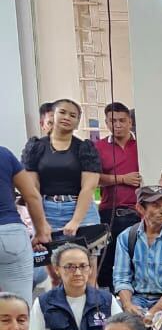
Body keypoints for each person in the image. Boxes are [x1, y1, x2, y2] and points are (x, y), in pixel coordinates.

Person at [21, 98, 102, 242]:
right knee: (49, 260)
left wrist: (76, 221)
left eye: (73, 115)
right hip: (46, 210)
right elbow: (32, 189)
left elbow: (89, 188)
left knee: (86, 260)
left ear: (77, 122)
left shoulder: (85, 148)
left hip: (81, 210)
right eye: (62, 112)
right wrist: (40, 223)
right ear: (53, 115)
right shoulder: (36, 147)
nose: (67, 118)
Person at [112, 184, 162, 322]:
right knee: (121, 323)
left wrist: (153, 313)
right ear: (140, 208)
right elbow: (121, 278)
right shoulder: (126, 237)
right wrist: (128, 305)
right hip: (137, 298)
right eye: (155, 205)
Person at [30, 242, 121, 330]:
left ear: (90, 269)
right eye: (69, 267)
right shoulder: (43, 302)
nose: (77, 272)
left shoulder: (107, 300)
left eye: (83, 266)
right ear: (57, 270)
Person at [95, 102, 141, 283]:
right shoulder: (98, 147)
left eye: (122, 120)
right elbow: (93, 178)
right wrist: (122, 179)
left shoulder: (142, 144)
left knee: (137, 260)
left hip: (140, 212)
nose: (118, 125)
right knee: (106, 260)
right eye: (113, 121)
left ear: (130, 122)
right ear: (106, 123)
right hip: (110, 212)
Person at [1, 144, 50, 298]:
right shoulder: (4, 154)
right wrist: (41, 232)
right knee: (20, 307)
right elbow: (32, 195)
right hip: (11, 234)